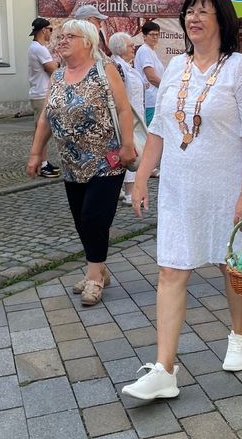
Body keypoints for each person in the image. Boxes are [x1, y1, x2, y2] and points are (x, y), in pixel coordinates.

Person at [122, 0, 242, 400]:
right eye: (189, 11)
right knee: (171, 269)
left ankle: (239, 335)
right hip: (179, 187)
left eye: (203, 11)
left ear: (221, 19)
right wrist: (140, 178)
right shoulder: (174, 67)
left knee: (231, 266)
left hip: (228, 187)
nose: (194, 18)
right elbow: (158, 130)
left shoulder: (238, 68)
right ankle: (164, 369)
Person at [27, 19, 136, 306]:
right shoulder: (58, 77)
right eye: (60, 37)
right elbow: (45, 118)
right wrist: (36, 153)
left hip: (106, 160)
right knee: (81, 221)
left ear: (88, 42)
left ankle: (94, 278)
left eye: (69, 37)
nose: (61, 41)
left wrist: (127, 145)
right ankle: (98, 266)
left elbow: (124, 110)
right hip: (71, 163)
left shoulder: (105, 70)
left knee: (94, 217)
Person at [109, 32, 148, 203]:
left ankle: (117, 189)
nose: (134, 48)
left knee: (132, 150)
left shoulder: (127, 66)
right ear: (120, 48)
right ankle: (130, 193)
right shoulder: (117, 67)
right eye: (131, 45)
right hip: (127, 117)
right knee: (132, 151)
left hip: (136, 114)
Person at [27, 18, 61, 178]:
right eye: (50, 29)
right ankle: (41, 164)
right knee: (41, 130)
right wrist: (58, 65)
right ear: (43, 31)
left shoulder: (37, 48)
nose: (51, 33)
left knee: (44, 129)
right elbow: (52, 68)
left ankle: (44, 162)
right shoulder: (39, 49)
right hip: (41, 93)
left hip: (41, 92)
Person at [134, 21, 164, 125]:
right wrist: (166, 88)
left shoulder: (151, 51)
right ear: (144, 36)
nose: (155, 37)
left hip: (154, 98)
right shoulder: (145, 51)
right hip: (150, 99)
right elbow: (151, 77)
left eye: (157, 34)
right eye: (152, 34)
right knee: (150, 132)